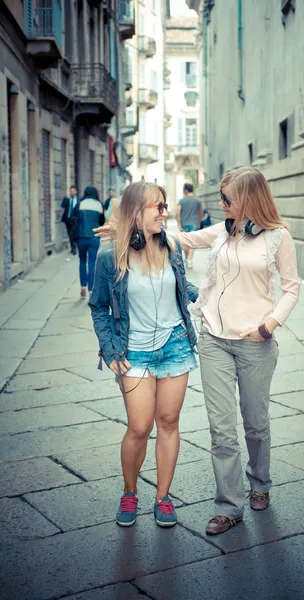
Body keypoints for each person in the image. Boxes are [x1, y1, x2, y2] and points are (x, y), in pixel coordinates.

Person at [95, 167, 300, 536]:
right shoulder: (220, 232)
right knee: (217, 429)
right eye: (221, 199)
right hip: (211, 342)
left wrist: (270, 325)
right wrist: (124, 229)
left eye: (226, 200)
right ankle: (228, 507)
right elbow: (181, 239)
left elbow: (291, 287)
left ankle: (259, 485)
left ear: (248, 201)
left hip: (253, 341)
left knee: (254, 424)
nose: (221, 206)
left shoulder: (277, 238)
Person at [89, 181, 198, 529]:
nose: (165, 213)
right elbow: (98, 307)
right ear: (137, 212)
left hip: (175, 344)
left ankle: (163, 498)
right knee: (139, 426)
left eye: (165, 206)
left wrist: (212, 293)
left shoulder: (172, 248)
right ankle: (130, 492)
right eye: (158, 207)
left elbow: (184, 286)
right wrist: (109, 352)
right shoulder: (110, 257)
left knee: (168, 422)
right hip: (132, 350)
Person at [73, 185, 104, 298]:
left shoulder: (80, 204)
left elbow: (74, 220)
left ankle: (82, 286)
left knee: (82, 261)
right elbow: (102, 221)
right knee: (92, 262)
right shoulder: (98, 205)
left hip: (81, 237)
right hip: (94, 237)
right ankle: (91, 289)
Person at [176, 183, 203, 269]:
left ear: (186, 190)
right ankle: (189, 260)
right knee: (192, 242)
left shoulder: (182, 200)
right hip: (194, 224)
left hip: (184, 225)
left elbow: (178, 213)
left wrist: (179, 224)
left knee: (185, 242)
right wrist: (199, 222)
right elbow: (201, 212)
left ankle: (187, 258)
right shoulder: (197, 200)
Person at [61, 186, 79, 254]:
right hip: (67, 219)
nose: (72, 192)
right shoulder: (67, 199)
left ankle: (74, 248)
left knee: (73, 234)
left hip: (75, 220)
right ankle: (73, 248)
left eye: (73, 191)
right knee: (69, 234)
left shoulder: (78, 200)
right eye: (71, 191)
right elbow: (62, 206)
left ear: (76, 192)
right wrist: (66, 199)